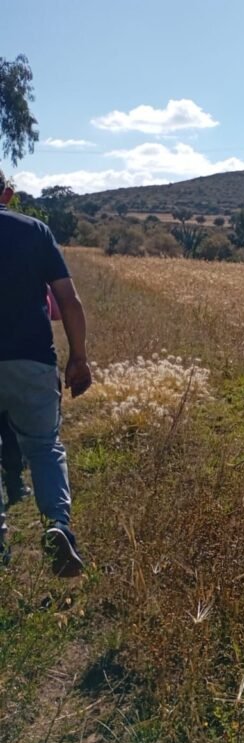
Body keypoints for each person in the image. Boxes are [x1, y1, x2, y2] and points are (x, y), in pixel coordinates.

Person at [0, 169, 92, 576]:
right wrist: (79, 357)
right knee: (42, 446)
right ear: (7, 193)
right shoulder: (35, 231)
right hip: (32, 358)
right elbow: (68, 300)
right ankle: (58, 526)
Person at [0, 289, 58, 505]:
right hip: (27, 357)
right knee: (15, 429)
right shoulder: (29, 260)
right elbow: (58, 311)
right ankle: (15, 482)